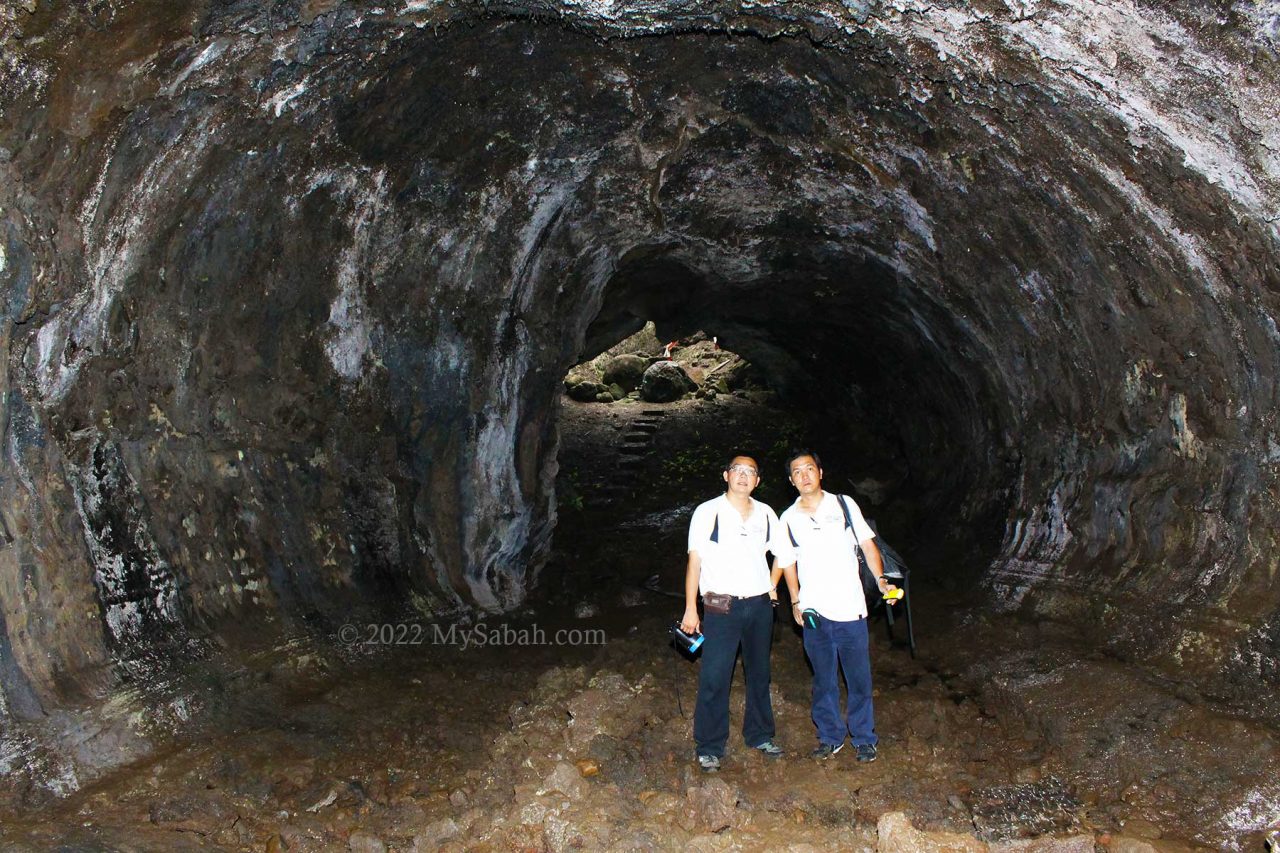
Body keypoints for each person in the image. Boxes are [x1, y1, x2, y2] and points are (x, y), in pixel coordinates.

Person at [778, 450, 898, 762]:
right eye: (797, 472)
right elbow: (788, 562)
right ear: (791, 480)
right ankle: (830, 737)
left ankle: (864, 738)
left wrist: (882, 579)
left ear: (820, 472)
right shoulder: (788, 518)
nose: (804, 475)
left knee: (859, 679)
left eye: (809, 469)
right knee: (823, 680)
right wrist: (795, 600)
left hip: (851, 608)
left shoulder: (844, 504)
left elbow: (867, 545)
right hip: (815, 612)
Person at [680, 454, 796, 772]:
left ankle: (759, 736)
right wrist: (691, 608)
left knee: (759, 673)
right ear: (726, 475)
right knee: (715, 675)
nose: (743, 476)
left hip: (758, 605)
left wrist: (772, 586)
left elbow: (783, 555)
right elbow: (695, 561)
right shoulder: (707, 512)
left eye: (750, 472)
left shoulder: (767, 514)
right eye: (737, 470)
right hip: (719, 603)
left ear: (757, 481)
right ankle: (709, 745)